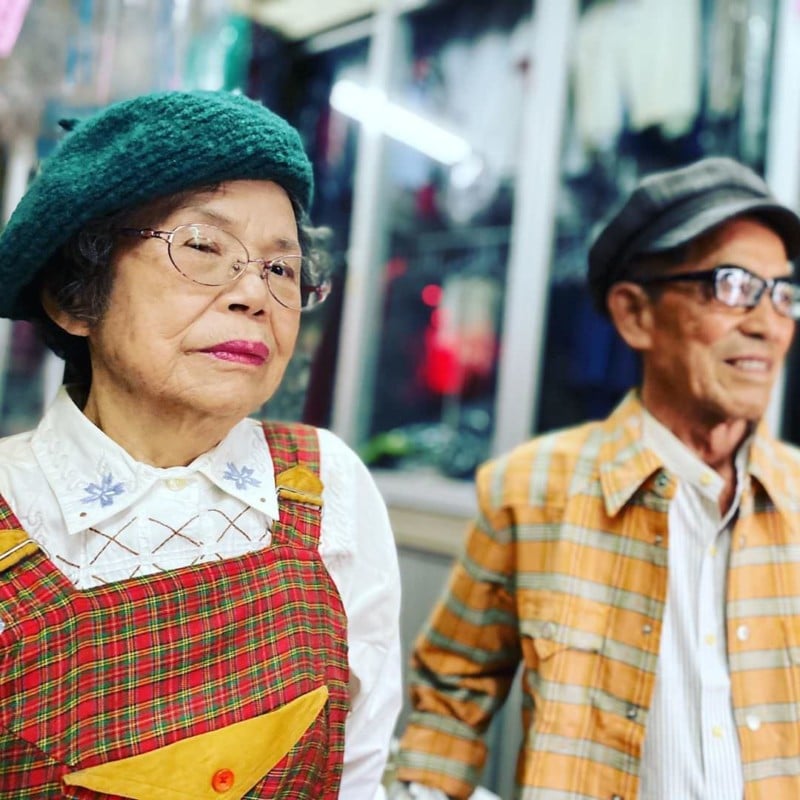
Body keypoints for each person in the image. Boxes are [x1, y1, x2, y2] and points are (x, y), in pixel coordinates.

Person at [0, 89, 401, 799]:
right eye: (204, 248)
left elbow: (359, 770)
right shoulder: (15, 506)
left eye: (280, 269)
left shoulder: (325, 485)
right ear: (74, 295)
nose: (255, 294)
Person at [389, 156, 800, 799]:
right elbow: (452, 686)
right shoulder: (531, 490)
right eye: (731, 286)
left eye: (782, 293)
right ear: (636, 314)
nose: (769, 323)